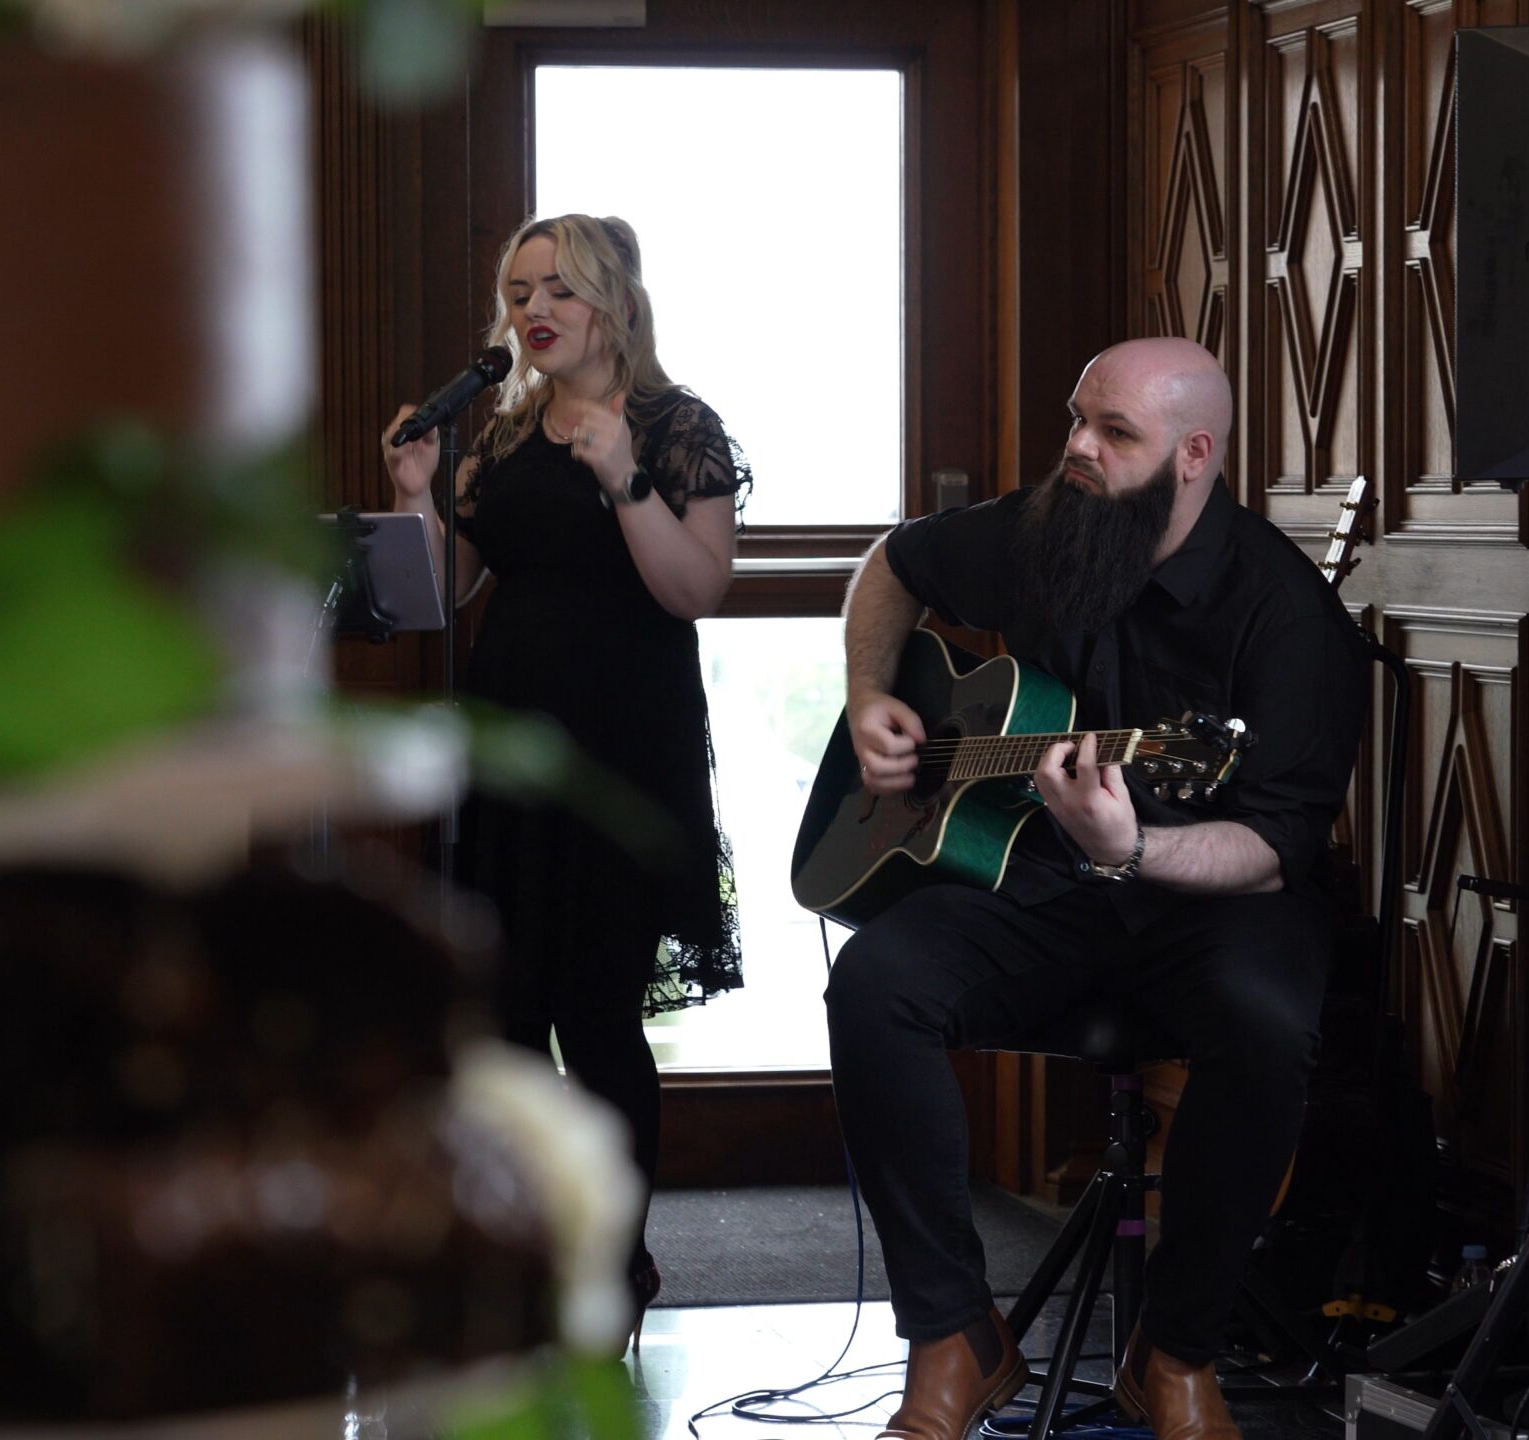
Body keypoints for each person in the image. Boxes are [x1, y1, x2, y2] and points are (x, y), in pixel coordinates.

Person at [827, 337, 1367, 1440]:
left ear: (1192, 456)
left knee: (1264, 1027)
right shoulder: (1044, 529)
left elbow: (1273, 845)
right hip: (1043, 880)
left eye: (1112, 433)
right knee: (875, 982)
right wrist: (867, 697)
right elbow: (895, 562)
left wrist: (1132, 848)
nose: (1075, 447)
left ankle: (1173, 1356)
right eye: (1077, 418)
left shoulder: (1286, 618)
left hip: (1211, 903)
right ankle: (952, 1338)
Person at [379, 213, 750, 1336]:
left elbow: (695, 590)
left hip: (621, 757)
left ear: (616, 306)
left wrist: (626, 475)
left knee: (595, 1021)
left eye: (560, 292)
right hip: (508, 751)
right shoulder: (499, 436)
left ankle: (614, 1265)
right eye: (520, 292)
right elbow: (444, 596)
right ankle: (515, 1256)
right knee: (500, 1020)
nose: (534, 312)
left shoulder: (675, 427)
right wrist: (414, 493)